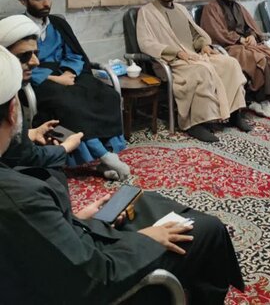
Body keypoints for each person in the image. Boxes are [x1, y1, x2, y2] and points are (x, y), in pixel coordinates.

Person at [0, 46, 245, 304]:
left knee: (142, 203)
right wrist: (148, 240)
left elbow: (36, 236)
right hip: (100, 275)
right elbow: (96, 278)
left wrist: (75, 219)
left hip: (70, 245)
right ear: (14, 109)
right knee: (208, 229)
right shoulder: (18, 198)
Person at [13, 0, 130, 180]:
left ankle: (108, 153)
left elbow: (75, 54)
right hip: (37, 79)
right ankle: (103, 155)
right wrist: (55, 79)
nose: (46, 3)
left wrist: (70, 72)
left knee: (107, 95)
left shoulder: (58, 23)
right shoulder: (18, 27)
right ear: (24, 1)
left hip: (66, 73)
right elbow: (19, 62)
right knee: (67, 104)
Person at [136, 0, 250, 143]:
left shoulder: (181, 9)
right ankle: (196, 123)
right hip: (171, 61)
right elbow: (146, 43)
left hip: (195, 55)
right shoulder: (146, 12)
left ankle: (235, 113)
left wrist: (203, 45)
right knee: (201, 71)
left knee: (230, 64)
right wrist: (176, 52)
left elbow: (195, 34)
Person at [0, 15, 83, 178]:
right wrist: (65, 148)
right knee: (54, 176)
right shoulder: (6, 97)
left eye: (36, 53)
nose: (36, 62)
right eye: (24, 56)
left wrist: (32, 133)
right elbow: (25, 156)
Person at [200, 0, 270, 118]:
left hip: (246, 45)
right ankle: (262, 101)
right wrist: (239, 39)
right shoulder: (211, 8)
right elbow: (215, 32)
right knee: (259, 59)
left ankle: (264, 99)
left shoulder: (239, 7)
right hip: (228, 47)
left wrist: (252, 36)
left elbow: (250, 27)